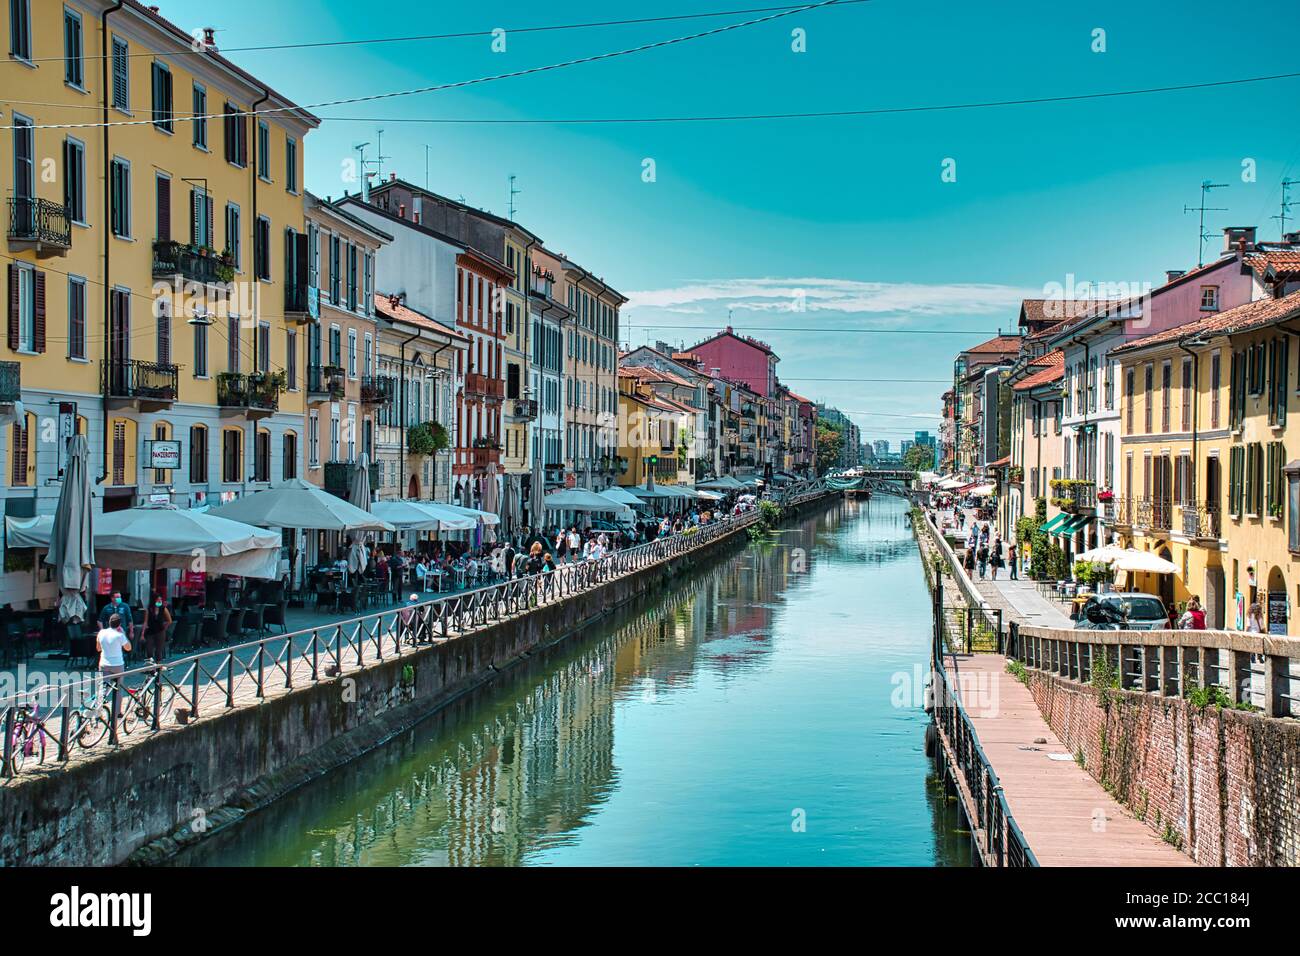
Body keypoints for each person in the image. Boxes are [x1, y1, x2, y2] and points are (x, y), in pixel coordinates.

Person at [97, 613, 131, 716]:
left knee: (103, 687)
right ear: (119, 624)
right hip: (117, 665)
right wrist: (124, 634)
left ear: (109, 622)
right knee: (118, 688)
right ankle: (117, 712)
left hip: (104, 663)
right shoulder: (120, 635)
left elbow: (98, 648)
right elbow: (128, 648)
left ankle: (98, 709)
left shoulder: (101, 633)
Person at [140, 592, 172, 662]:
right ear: (154, 600)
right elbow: (145, 622)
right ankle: (151, 668)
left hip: (160, 631)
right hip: (150, 632)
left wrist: (164, 628)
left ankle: (158, 667)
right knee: (149, 651)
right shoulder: (148, 609)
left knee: (158, 651)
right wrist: (142, 634)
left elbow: (169, 620)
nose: (160, 601)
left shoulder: (163, 609)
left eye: (161, 600)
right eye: (158, 600)